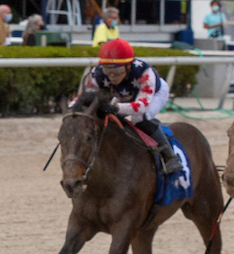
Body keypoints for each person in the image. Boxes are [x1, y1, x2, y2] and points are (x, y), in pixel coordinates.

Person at [71, 38, 182, 174]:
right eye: (107, 70)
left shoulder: (144, 73)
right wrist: (73, 108)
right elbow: (83, 95)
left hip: (155, 94)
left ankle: (170, 156)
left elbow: (141, 106)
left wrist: (116, 107)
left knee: (139, 118)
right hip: (125, 94)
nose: (112, 76)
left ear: (128, 66)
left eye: (117, 71)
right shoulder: (98, 73)